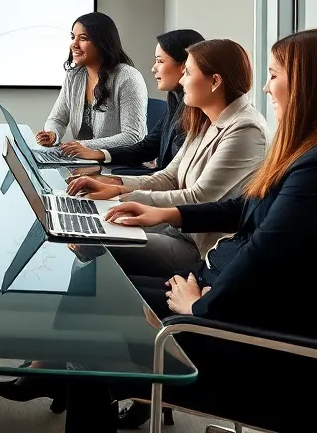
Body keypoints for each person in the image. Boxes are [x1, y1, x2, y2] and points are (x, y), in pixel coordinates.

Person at [0, 27, 317, 433]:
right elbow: (247, 211)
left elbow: (265, 255)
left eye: (275, 75)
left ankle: (60, 373)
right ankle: (58, 373)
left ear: (310, 86)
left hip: (231, 321)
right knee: (96, 287)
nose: (266, 88)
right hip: (223, 286)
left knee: (95, 315)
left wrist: (200, 307)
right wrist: (165, 214)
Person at [66, 38, 268, 277]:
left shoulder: (246, 129)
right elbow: (169, 176)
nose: (182, 81)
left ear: (215, 81)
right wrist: (114, 185)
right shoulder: (205, 118)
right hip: (176, 227)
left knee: (97, 244)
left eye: (188, 73)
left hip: (200, 246)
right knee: (89, 231)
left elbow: (199, 197)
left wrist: (122, 199)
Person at [61, 28, 205, 170]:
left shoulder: (198, 111)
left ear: (185, 65)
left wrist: (119, 185)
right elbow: (148, 148)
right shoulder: (176, 101)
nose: (153, 68)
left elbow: (175, 180)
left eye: (160, 61)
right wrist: (98, 154)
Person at [37, 12, 148, 152]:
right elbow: (57, 120)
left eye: (83, 39)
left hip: (117, 163)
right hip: (82, 161)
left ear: (102, 43)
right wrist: (53, 134)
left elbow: (133, 136)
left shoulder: (128, 77)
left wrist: (83, 146)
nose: (74, 44)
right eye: (73, 37)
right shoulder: (74, 76)